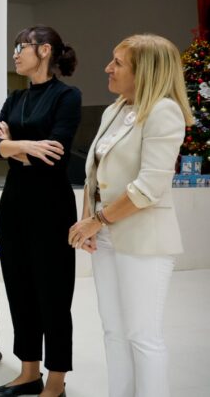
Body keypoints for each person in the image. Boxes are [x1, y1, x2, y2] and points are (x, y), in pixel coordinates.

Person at [68, 34, 192, 397]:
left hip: (143, 240)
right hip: (106, 236)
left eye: (118, 63)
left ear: (145, 72)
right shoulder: (115, 110)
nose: (108, 68)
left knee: (142, 335)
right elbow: (93, 174)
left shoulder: (164, 112)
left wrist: (97, 220)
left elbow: (149, 186)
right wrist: (89, 220)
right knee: (114, 332)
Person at [0, 26, 81, 397]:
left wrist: (12, 146)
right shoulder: (15, 98)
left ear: (44, 50)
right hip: (13, 206)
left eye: (21, 47)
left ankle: (56, 380)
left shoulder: (67, 96)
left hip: (51, 207)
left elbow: (54, 154)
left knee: (53, 295)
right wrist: (25, 147)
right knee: (20, 290)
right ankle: (29, 372)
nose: (15, 53)